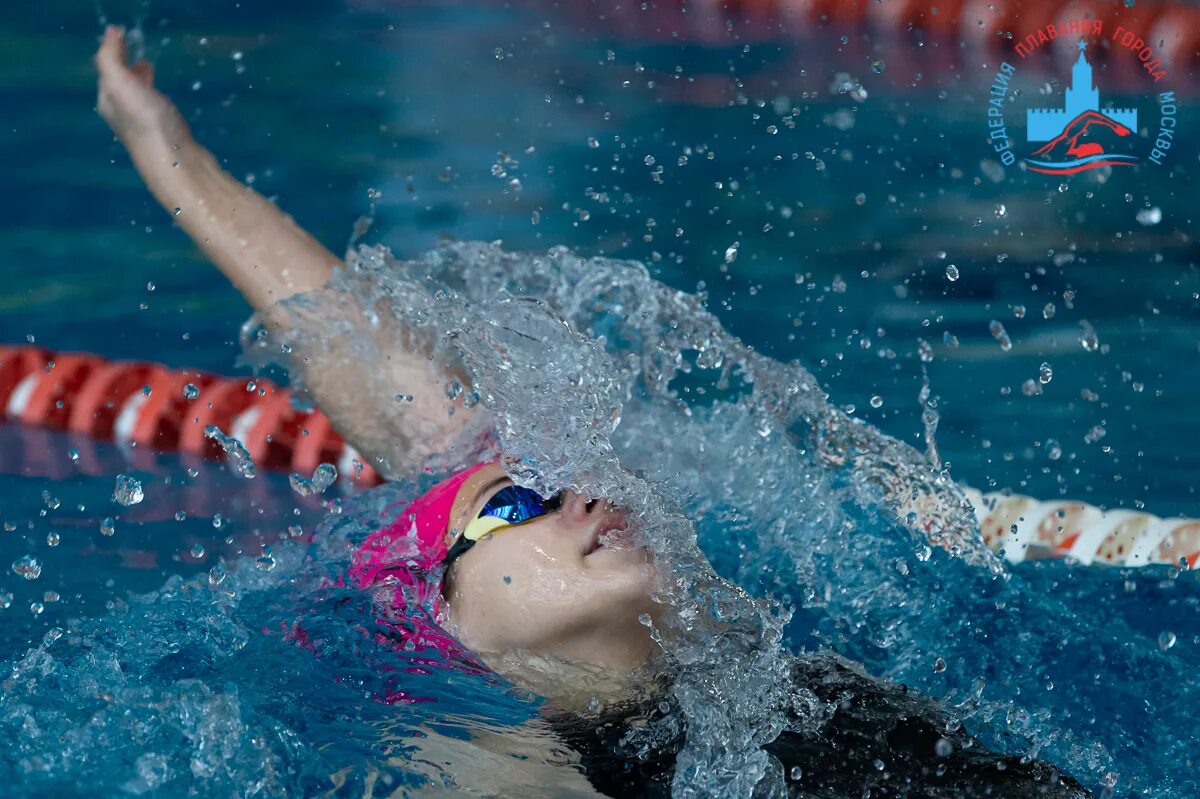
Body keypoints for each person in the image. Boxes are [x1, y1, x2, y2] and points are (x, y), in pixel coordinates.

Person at [94, 26, 1092, 797]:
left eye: (542, 486)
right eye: (510, 510)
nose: (566, 497)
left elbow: (371, 364)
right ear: (439, 627)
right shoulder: (477, 755)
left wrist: (171, 156)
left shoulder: (767, 684)